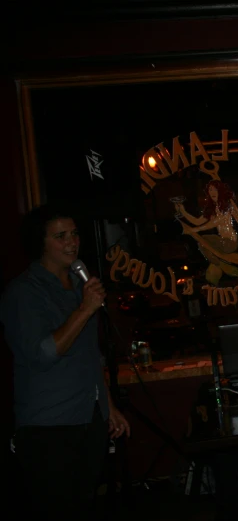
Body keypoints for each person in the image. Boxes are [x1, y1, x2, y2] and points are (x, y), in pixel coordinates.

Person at [1, 204, 130, 518]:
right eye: (61, 236)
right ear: (39, 242)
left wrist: (107, 405)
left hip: (89, 418)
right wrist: (86, 310)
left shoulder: (78, 286)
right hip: (50, 427)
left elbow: (90, 357)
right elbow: (44, 353)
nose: (72, 242)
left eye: (74, 234)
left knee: (85, 504)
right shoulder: (24, 293)